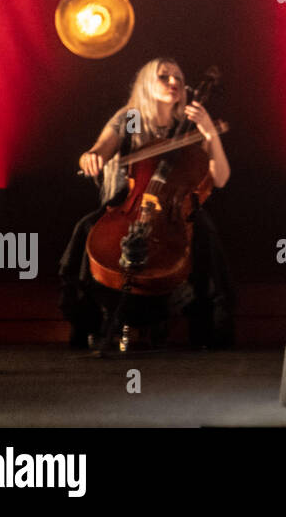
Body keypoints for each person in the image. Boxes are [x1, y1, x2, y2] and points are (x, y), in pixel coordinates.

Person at [60, 58, 234, 349]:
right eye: (164, 77)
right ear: (145, 83)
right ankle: (86, 323)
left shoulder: (189, 124)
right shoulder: (130, 118)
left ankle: (210, 329)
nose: (173, 83)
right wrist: (90, 157)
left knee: (205, 234)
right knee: (86, 227)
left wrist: (210, 133)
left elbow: (221, 178)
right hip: (127, 202)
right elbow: (100, 150)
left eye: (178, 77)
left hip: (174, 209)